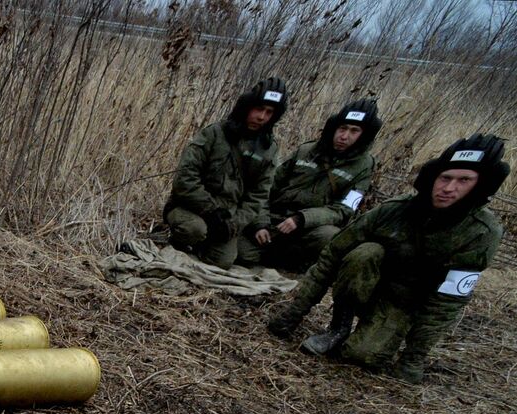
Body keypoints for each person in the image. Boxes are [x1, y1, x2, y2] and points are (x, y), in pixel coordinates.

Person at [266, 134, 507, 383]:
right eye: (445, 178)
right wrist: (292, 315)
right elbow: (333, 254)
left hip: (404, 303)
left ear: (480, 187)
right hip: (367, 286)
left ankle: (376, 335)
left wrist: (413, 358)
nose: (448, 188)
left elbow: (447, 301)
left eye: (463, 181)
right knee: (365, 252)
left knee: (361, 356)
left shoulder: (481, 233)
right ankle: (338, 328)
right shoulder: (395, 209)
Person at [238, 99, 382, 271]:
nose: (344, 136)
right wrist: (260, 223)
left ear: (364, 135)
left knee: (330, 236)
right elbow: (264, 187)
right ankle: (271, 256)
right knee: (240, 254)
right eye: (342, 128)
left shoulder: (364, 166)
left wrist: (302, 219)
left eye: (354, 131)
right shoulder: (306, 151)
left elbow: (345, 209)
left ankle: (293, 263)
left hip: (307, 230)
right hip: (274, 221)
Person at [164, 77, 287, 268]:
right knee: (194, 230)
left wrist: (235, 224)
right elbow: (185, 179)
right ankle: (178, 242)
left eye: (268, 112)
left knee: (223, 262)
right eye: (258, 109)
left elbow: (258, 195)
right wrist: (211, 211)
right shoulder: (214, 133)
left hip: (228, 218)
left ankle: (201, 247)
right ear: (246, 106)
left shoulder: (268, 150)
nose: (261, 117)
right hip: (191, 207)